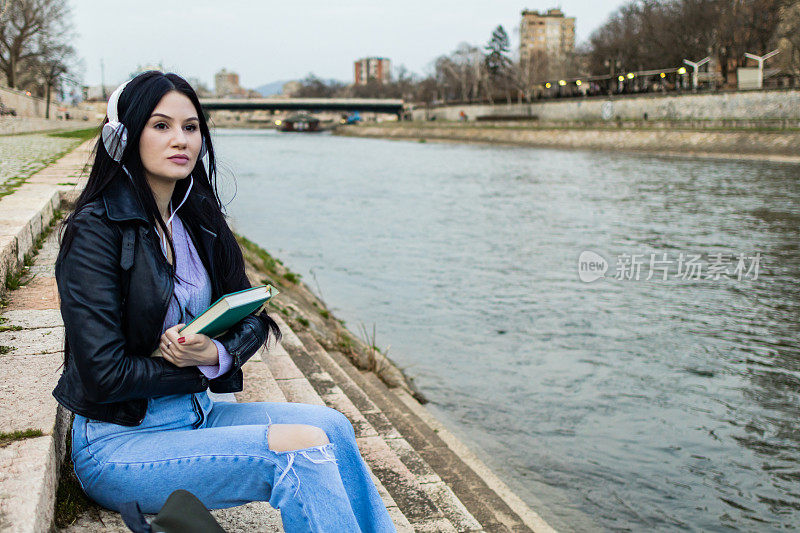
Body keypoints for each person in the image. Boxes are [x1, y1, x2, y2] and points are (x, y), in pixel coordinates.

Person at [53, 70, 395, 533]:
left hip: (201, 418)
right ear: (124, 136)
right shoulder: (95, 230)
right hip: (122, 445)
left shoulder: (199, 221)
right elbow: (103, 373)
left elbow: (254, 317)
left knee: (333, 427)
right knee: (299, 451)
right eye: (161, 125)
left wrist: (218, 352)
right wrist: (197, 369)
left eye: (191, 127)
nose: (181, 140)